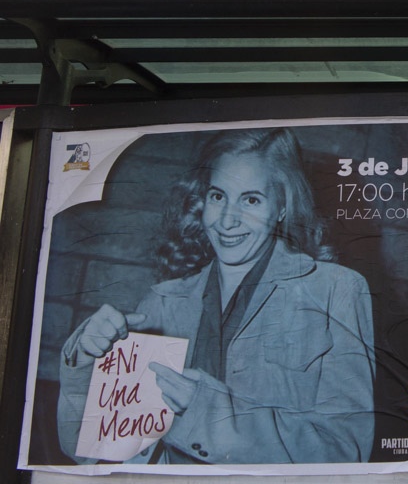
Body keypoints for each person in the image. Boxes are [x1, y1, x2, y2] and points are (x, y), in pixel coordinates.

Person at [57, 128, 375, 464]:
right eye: (218, 196)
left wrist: (208, 413)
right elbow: (96, 452)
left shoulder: (335, 290)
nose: (227, 220)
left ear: (282, 207)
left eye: (251, 200)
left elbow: (345, 449)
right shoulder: (162, 302)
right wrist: (86, 363)